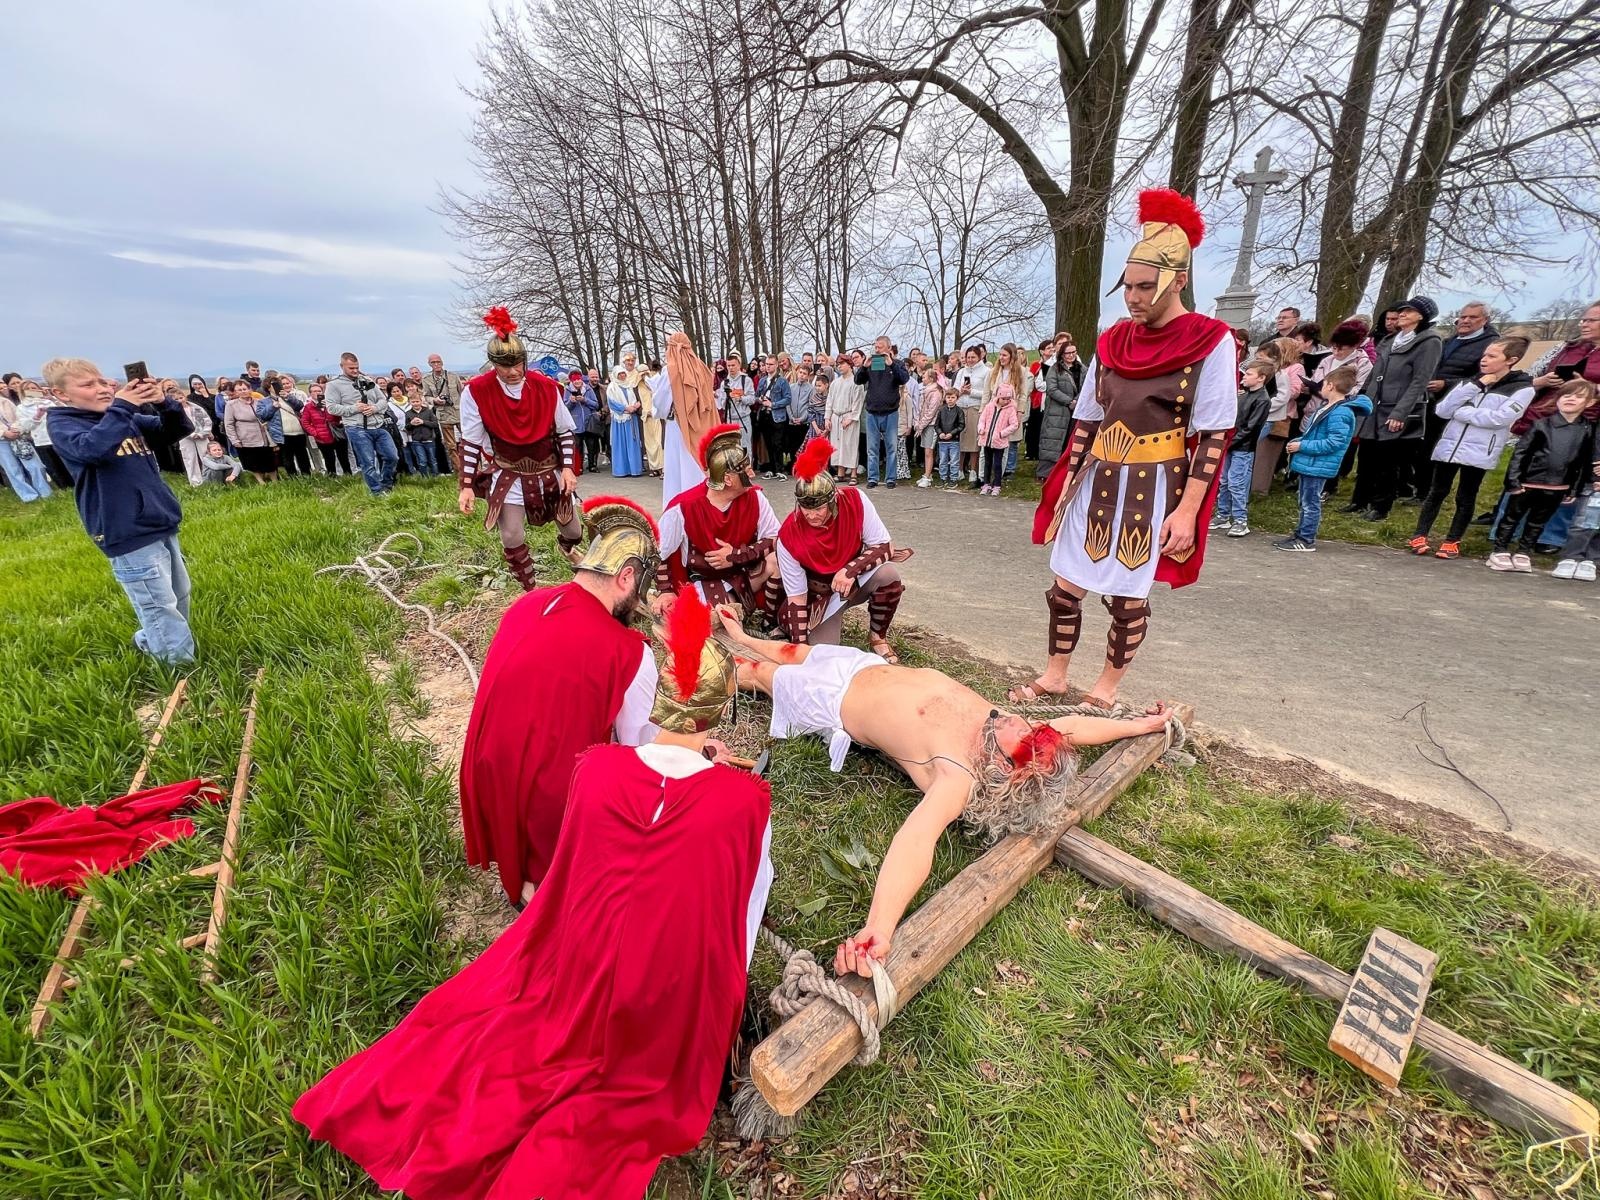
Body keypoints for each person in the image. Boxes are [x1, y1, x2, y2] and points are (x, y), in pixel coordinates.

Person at [295, 584, 768, 1200]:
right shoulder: (743, 801)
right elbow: (742, 917)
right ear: (712, 713)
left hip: (577, 965)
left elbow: (576, 871)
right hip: (664, 1000)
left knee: (488, 1037)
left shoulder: (595, 768)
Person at [716, 608, 1168, 978]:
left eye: (1026, 735)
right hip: (863, 667)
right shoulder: (1014, 736)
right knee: (791, 651)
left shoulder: (958, 775)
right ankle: (740, 633)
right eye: (1033, 727)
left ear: (1010, 775)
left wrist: (880, 926)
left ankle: (714, 661)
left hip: (831, 700)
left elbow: (916, 841)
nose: (1021, 723)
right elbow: (1073, 727)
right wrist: (1137, 725)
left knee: (749, 672)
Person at [1015, 189, 1234, 707]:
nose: (1132, 297)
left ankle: (1106, 689)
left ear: (1178, 280)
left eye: (1144, 287)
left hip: (1154, 485)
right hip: (1097, 479)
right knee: (1065, 587)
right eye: (1128, 286)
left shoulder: (1211, 340)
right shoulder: (1113, 340)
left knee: (1127, 598)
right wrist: (1067, 485)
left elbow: (1214, 435)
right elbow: (1087, 419)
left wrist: (1186, 511)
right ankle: (1055, 675)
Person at [458, 494, 663, 906]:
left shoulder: (527, 603)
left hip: (488, 781)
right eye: (638, 591)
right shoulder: (629, 651)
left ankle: (525, 870)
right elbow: (642, 751)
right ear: (625, 577)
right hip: (550, 811)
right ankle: (552, 880)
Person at [42, 360, 195, 664]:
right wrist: (122, 406)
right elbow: (92, 449)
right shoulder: (64, 424)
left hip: (157, 519)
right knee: (157, 604)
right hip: (124, 529)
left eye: (102, 382)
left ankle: (152, 640)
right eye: (87, 385)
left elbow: (177, 429)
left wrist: (163, 402)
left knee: (179, 594)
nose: (101, 389)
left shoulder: (123, 419)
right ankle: (179, 669)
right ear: (60, 393)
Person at [458, 308, 584, 590]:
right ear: (493, 364)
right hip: (508, 472)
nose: (513, 372)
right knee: (512, 536)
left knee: (573, 531)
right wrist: (466, 486)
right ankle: (530, 590)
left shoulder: (546, 387)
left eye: (518, 364)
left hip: (548, 470)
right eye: (505, 366)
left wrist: (567, 469)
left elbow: (564, 431)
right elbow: (471, 441)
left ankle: (567, 549)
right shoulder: (476, 391)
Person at [777, 439, 913, 655]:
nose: (811, 515)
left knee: (888, 575)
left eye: (819, 509)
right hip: (820, 597)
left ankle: (878, 638)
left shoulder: (855, 500)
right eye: (805, 508)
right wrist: (800, 648)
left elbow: (885, 546)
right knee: (824, 653)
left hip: (853, 582)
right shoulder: (788, 535)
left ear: (832, 500)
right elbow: (797, 597)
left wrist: (850, 570)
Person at [1409, 336, 1533, 559]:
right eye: (1484, 354)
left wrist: (1463, 412)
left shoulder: (1522, 388)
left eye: (1492, 356)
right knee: (1436, 492)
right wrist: (1476, 385)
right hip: (1450, 447)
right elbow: (1443, 410)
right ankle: (1420, 534)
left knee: (1465, 496)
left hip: (1480, 451)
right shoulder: (1472, 382)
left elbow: (1499, 419)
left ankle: (1452, 540)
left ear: (1511, 360)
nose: (1484, 359)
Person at [656, 423, 782, 615]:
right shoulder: (683, 507)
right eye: (746, 470)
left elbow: (775, 540)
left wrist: (735, 556)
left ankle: (770, 621)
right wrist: (665, 591)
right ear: (728, 480)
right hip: (700, 583)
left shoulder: (756, 498)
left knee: (777, 560)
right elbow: (660, 553)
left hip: (742, 576)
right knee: (716, 619)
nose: (752, 474)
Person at [1346, 296, 1443, 519]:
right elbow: (1374, 373)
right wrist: (1362, 400)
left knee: (1387, 461)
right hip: (1373, 405)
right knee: (1367, 456)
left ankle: (1381, 507)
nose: (1402, 314)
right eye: (1402, 310)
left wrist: (1401, 412)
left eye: (1409, 311)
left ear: (1422, 316)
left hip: (1396, 408)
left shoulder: (1429, 342)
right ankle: (1359, 500)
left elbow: (1420, 381)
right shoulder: (1391, 339)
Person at [1488, 380, 1599, 573]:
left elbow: (1582, 463)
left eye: (1578, 396)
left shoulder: (1588, 429)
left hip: (1558, 486)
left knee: (1538, 521)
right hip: (1528, 482)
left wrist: (1574, 488)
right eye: (1566, 395)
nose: (1571, 399)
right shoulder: (1540, 425)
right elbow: (1520, 453)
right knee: (1512, 517)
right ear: (1557, 399)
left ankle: (1524, 550)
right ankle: (1500, 549)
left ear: (1589, 403)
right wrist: (1513, 480)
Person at [1275, 365, 1371, 552]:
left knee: (1311, 502)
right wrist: (1299, 441)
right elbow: (1314, 435)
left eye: (1324, 383)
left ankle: (1306, 538)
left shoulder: (1340, 412)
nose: (1321, 386)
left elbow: (1334, 442)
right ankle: (1300, 533)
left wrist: (1302, 446)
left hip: (1318, 464)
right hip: (1310, 462)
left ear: (1331, 386)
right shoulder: (1326, 407)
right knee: (1304, 501)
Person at [650, 332, 719, 504]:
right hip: (702, 425)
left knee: (677, 470)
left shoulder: (670, 370)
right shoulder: (701, 367)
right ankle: (703, 506)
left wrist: (656, 409)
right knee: (696, 465)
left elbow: (661, 401)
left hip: (678, 426)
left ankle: (680, 510)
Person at [325, 353, 399, 495]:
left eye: (357, 367)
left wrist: (374, 408)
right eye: (351, 368)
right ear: (342, 366)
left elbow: (383, 400)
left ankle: (386, 485)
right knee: (368, 462)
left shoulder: (367, 381)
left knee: (392, 456)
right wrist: (354, 408)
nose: (354, 370)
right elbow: (332, 408)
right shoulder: (334, 385)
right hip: (356, 428)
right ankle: (377, 492)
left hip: (378, 424)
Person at [1212, 359, 1271, 537]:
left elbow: (1250, 428)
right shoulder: (1243, 395)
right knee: (1224, 481)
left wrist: (1229, 442)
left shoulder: (1263, 400)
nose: (1244, 376)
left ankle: (1240, 520)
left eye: (1249, 374)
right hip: (1231, 445)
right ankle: (1223, 515)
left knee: (1237, 483)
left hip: (1243, 448)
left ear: (1261, 378)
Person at [852, 336, 909, 489]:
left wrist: (891, 365)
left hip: (890, 411)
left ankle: (890, 478)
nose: (877, 350)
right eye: (876, 347)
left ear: (889, 348)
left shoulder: (897, 364)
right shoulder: (871, 364)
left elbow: (904, 379)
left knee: (891, 447)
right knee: (872, 448)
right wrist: (864, 366)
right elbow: (857, 380)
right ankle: (873, 478)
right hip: (872, 411)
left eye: (880, 347)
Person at [1251, 336, 1302, 495]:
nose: (1259, 361)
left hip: (1269, 418)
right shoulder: (1260, 373)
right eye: (1257, 358)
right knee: (1250, 450)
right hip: (1255, 417)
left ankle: (1257, 487)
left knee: (1255, 449)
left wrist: (1262, 406)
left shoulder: (1281, 375)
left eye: (1262, 358)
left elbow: (1283, 397)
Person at [976, 348, 1022, 495]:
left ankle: (997, 482)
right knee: (986, 457)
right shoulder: (993, 372)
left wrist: (1018, 412)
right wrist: (982, 414)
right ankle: (984, 481)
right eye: (1000, 355)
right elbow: (986, 393)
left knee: (999, 458)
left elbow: (1023, 395)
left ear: (1011, 357)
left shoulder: (1019, 373)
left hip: (1004, 423)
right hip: (990, 419)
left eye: (1005, 355)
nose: (1001, 358)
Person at [0, 383, 55, 502]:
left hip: (17, 435)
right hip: (1, 441)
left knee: (35, 465)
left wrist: (15, 429)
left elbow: (18, 417)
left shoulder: (5, 402)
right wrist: (4, 432)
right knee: (12, 469)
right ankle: (28, 496)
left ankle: (46, 492)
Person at [1036, 335, 1081, 479]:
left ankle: (1066, 472)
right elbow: (1052, 389)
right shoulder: (1054, 369)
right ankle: (1046, 473)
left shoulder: (1082, 369)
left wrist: (1077, 401)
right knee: (1051, 441)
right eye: (1068, 353)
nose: (1071, 355)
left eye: (1073, 352)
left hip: (1074, 411)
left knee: (1069, 441)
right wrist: (1069, 401)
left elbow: (1085, 388)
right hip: (1057, 411)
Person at [222, 379, 278, 483]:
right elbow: (229, 424)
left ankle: (275, 481)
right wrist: (234, 440)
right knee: (252, 462)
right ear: (235, 392)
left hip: (263, 436)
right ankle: (261, 482)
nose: (243, 391)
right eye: (239, 390)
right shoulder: (231, 405)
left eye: (245, 389)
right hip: (245, 438)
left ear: (250, 389)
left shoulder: (259, 402)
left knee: (269, 460)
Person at [953, 345, 990, 486]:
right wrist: (961, 391)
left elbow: (987, 393)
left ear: (979, 357)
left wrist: (972, 392)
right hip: (962, 406)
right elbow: (954, 389)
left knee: (974, 441)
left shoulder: (986, 371)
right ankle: (959, 469)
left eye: (973, 357)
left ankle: (973, 470)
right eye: (968, 357)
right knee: (961, 439)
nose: (970, 360)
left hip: (975, 408)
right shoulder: (962, 372)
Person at [421, 354, 464, 473]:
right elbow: (426, 396)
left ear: (442, 362)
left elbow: (463, 393)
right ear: (429, 364)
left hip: (458, 412)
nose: (436, 364)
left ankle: (474, 469)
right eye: (433, 362)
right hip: (443, 414)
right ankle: (459, 470)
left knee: (468, 441)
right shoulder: (427, 379)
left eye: (438, 362)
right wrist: (435, 400)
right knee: (451, 445)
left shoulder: (453, 376)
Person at [828, 350, 866, 482]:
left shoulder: (856, 382)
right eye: (838, 364)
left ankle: (854, 474)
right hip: (836, 416)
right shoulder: (835, 383)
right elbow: (830, 401)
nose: (839, 366)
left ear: (849, 364)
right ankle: (840, 473)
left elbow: (858, 402)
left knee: (850, 445)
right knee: (837, 446)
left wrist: (851, 418)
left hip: (849, 417)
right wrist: (828, 417)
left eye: (842, 363)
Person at [606, 360, 646, 478]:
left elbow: (635, 399)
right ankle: (621, 470)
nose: (622, 375)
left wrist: (634, 406)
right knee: (621, 444)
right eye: (620, 374)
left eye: (623, 373)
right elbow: (611, 403)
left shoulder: (629, 385)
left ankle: (635, 469)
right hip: (619, 419)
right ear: (616, 375)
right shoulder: (612, 387)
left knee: (632, 443)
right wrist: (625, 408)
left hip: (631, 418)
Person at [300, 382, 348, 476]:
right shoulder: (308, 407)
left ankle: (348, 475)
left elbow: (339, 416)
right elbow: (305, 422)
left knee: (343, 457)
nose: (317, 393)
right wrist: (315, 432)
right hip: (322, 436)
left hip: (336, 433)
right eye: (314, 391)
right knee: (329, 458)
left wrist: (329, 407)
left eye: (319, 391)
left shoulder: (330, 403)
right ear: (310, 393)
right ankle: (332, 476)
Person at [174, 384, 214, 487]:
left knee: (206, 455)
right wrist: (190, 434)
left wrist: (203, 433)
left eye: (181, 397)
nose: (180, 400)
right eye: (176, 399)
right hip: (185, 437)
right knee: (190, 458)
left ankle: (210, 478)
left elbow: (206, 420)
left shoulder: (196, 408)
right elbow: (177, 426)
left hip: (202, 436)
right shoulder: (174, 412)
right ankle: (195, 482)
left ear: (185, 396)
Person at [914, 365, 945, 486]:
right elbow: (921, 408)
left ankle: (927, 476)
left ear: (931, 378)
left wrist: (921, 425)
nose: (922, 378)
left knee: (929, 451)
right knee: (926, 450)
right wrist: (918, 422)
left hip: (931, 425)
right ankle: (927, 474)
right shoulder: (926, 390)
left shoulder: (936, 393)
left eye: (925, 376)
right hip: (925, 424)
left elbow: (931, 412)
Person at [932, 382, 965, 489]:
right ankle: (943, 478)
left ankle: (953, 479)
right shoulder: (941, 410)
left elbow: (961, 425)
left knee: (954, 461)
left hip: (954, 441)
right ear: (945, 398)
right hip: (942, 441)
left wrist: (952, 433)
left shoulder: (959, 411)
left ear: (957, 398)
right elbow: (936, 424)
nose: (950, 399)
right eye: (948, 397)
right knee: (942, 460)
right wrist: (940, 433)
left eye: (953, 397)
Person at [402, 390, 440, 476]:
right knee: (422, 460)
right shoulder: (408, 413)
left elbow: (435, 424)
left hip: (429, 440)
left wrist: (423, 422)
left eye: (417, 401)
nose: (415, 403)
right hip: (416, 441)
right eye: (413, 402)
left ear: (421, 401)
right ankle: (424, 477)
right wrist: (411, 424)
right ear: (409, 402)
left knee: (432, 459)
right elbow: (407, 427)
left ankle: (435, 476)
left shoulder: (428, 411)